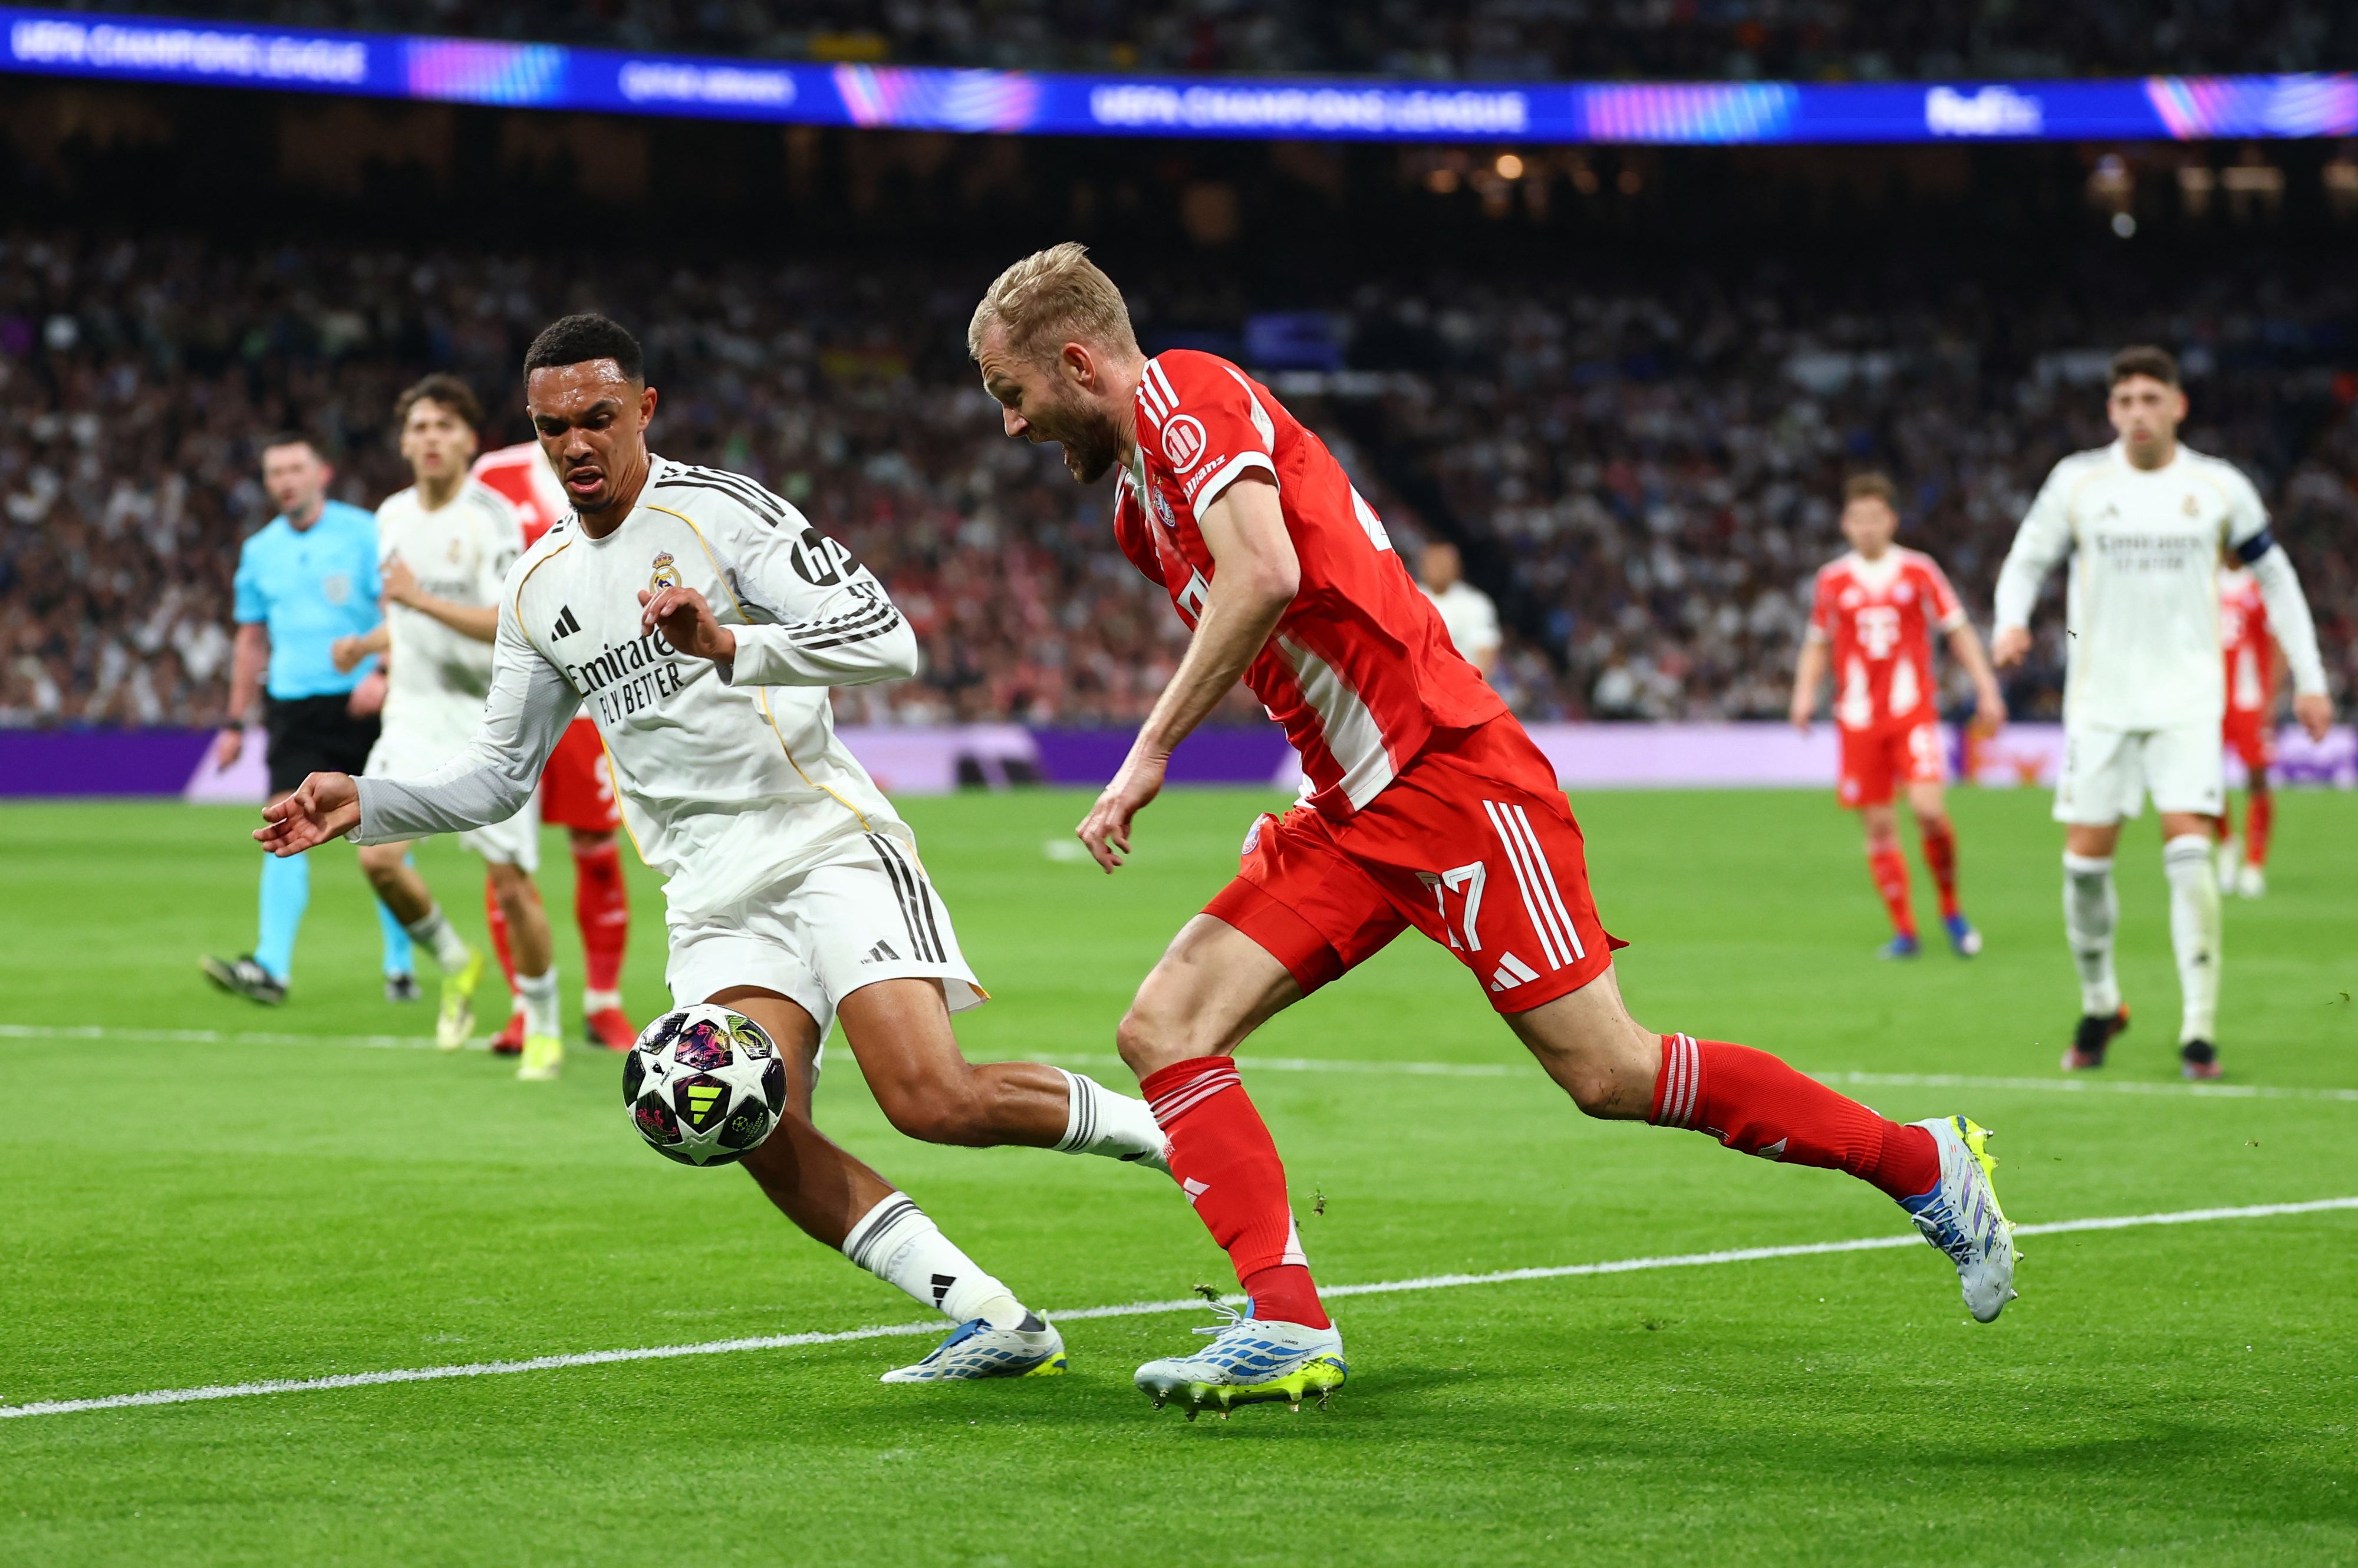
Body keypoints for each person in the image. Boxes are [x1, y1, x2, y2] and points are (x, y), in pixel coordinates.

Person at [969, 243, 2018, 1421]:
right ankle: (1282, 1321)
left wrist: (1149, 747)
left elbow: (1260, 572)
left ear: (1073, 361)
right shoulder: (1131, 502)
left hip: (1451, 779)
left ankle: (1918, 1162)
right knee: (1163, 1027)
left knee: (1608, 1073)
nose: (1011, 427)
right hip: (1351, 812)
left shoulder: (1191, 395)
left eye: (1013, 396)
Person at [255, 314, 1171, 1382]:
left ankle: (1171, 1135)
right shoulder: (539, 588)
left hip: (823, 841)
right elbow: (497, 776)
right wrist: (363, 800)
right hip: (712, 895)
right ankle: (996, 1320)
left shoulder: (721, 514)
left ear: (644, 409)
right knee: (745, 1120)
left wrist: (729, 642)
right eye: (554, 428)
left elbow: (890, 643)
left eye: (598, 418)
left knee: (931, 1099)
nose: (577, 445)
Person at [1992, 346, 2333, 1081]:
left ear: (2177, 405)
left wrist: (2308, 678)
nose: (2137, 412)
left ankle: (2198, 1030)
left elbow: (2277, 578)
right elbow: (2026, 557)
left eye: (2151, 398)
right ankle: (2100, 1002)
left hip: (2187, 701)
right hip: (2100, 704)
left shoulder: (2216, 487)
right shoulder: (2078, 483)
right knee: (2084, 865)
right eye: (2124, 401)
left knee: (2188, 854)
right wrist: (2009, 621)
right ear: (2110, 412)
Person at [332, 376, 556, 1073]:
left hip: (492, 717)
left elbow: (505, 621)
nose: (430, 437)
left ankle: (542, 1019)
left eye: (444, 426)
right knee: (376, 857)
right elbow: (406, 613)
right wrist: (371, 644)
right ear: (404, 442)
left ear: (467, 440)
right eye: (419, 426)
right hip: (414, 712)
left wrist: (417, 600)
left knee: (511, 881)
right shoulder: (390, 516)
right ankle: (457, 962)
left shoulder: (490, 515)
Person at [202, 434, 417, 1004]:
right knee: (282, 823)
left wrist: (386, 672)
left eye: (296, 468)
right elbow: (251, 639)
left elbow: (396, 605)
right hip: (293, 704)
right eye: (275, 472)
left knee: (383, 829)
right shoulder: (259, 550)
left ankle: (400, 964)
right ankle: (271, 967)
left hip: (360, 699)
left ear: (322, 472)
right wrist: (233, 721)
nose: (285, 480)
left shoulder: (364, 531)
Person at [1789, 472, 2006, 959]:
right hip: (1859, 721)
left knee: (1929, 811)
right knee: (1880, 827)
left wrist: (1987, 688)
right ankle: (1906, 932)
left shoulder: (1919, 571)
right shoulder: (1832, 579)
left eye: (1875, 517)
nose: (1867, 527)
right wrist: (1804, 694)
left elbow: (1959, 630)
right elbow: (1817, 644)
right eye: (1858, 518)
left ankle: (1951, 909)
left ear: (1892, 520)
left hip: (1913, 716)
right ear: (1846, 524)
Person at [474, 437, 638, 1053]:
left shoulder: (624, 458)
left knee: (596, 846)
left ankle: (604, 1002)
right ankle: (525, 1005)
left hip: (594, 694)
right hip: (513, 695)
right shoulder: (493, 475)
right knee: (508, 856)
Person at [2212, 556, 2284, 899]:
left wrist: (2272, 698)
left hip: (2249, 698)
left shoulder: (2260, 587)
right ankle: (2227, 844)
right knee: (2207, 778)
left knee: (2257, 778)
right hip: (2211, 698)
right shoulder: (2206, 582)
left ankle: (2254, 865)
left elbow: (2277, 643)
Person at [1414, 541, 1500, 679]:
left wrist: (1475, 689)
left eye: (1443, 563)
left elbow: (1485, 652)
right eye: (1433, 563)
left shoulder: (1475, 603)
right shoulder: (1411, 598)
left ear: (1456, 567)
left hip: (1461, 686)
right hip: (1420, 687)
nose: (1438, 568)